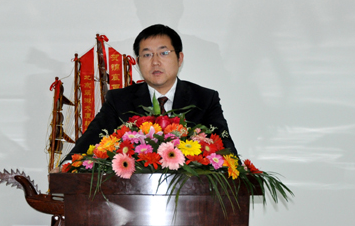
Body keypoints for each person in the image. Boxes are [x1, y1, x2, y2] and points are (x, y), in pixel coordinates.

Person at [61, 24, 237, 162]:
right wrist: (67, 166)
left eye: (163, 53)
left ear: (180, 58)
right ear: (137, 62)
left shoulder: (204, 99)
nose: (155, 62)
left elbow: (225, 148)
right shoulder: (119, 100)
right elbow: (92, 139)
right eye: (147, 55)